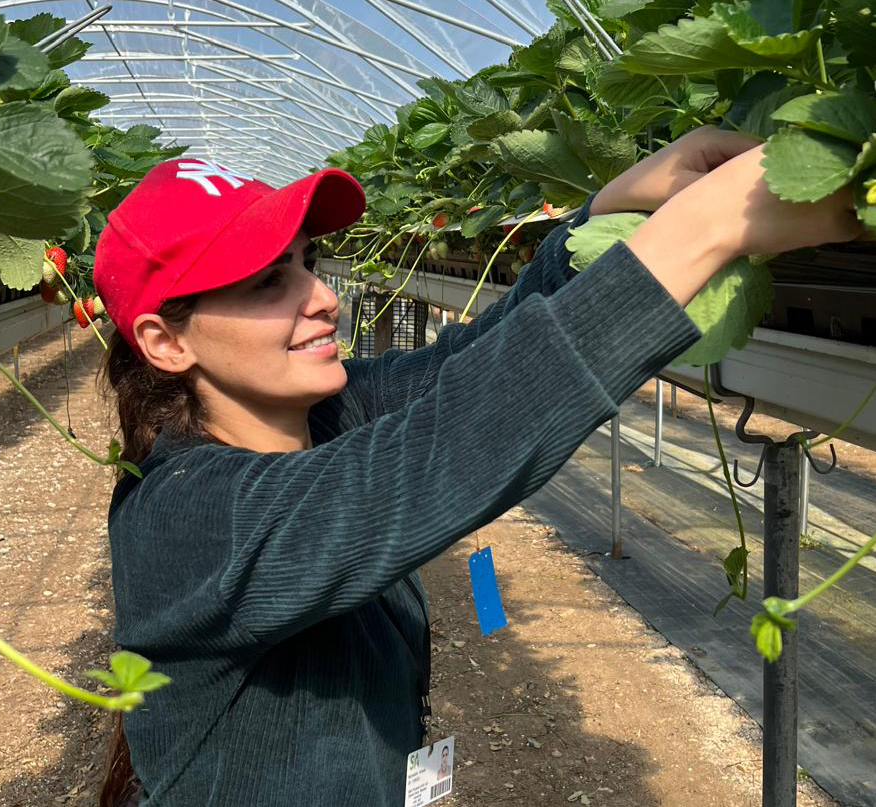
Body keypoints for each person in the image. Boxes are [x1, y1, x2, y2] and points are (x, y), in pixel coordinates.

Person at [94, 133, 860, 807]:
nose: (323, 297)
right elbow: (447, 448)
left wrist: (602, 213)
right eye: (269, 281)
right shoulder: (184, 517)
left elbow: (471, 364)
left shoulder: (322, 416)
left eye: (307, 262)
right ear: (166, 341)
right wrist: (706, 228)